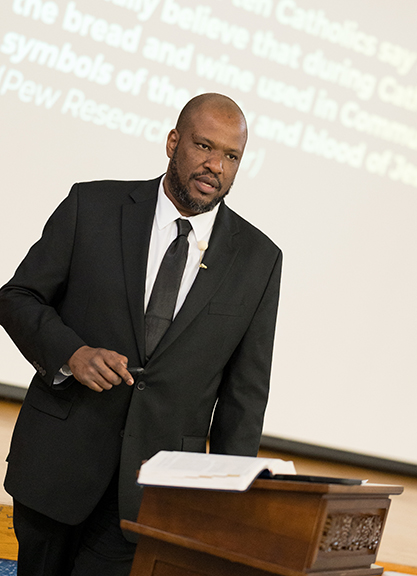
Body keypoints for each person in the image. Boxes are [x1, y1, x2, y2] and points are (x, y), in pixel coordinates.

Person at [0, 93, 282, 576]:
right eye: (203, 146)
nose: (215, 165)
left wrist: (228, 506)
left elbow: (244, 398)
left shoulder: (259, 259)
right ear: (173, 142)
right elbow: (17, 296)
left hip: (156, 491)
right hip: (57, 467)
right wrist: (72, 353)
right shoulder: (93, 205)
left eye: (231, 156)